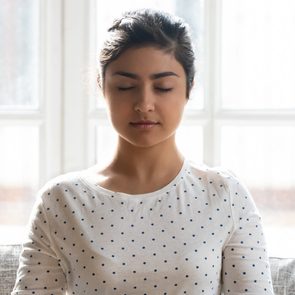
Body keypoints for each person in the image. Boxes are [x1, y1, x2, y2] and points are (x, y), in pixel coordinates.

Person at [12, 9, 274, 295]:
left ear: (189, 88)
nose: (144, 103)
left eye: (163, 87)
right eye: (125, 86)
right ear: (102, 87)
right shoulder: (61, 200)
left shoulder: (224, 195)